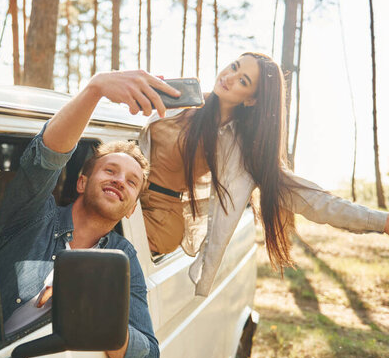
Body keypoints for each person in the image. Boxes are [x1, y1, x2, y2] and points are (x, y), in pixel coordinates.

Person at [139, 52, 389, 297]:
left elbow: (313, 200)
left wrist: (379, 221)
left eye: (243, 81)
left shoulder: (240, 149)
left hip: (159, 218)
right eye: (234, 66)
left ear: (252, 100)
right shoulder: (184, 96)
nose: (230, 76)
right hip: (123, 186)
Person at [0, 70, 179, 358]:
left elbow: (147, 355)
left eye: (132, 182)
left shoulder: (123, 254)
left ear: (132, 209)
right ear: (81, 183)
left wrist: (91, 306)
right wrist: (96, 88)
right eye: (110, 170)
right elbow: (45, 159)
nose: (120, 180)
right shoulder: (34, 216)